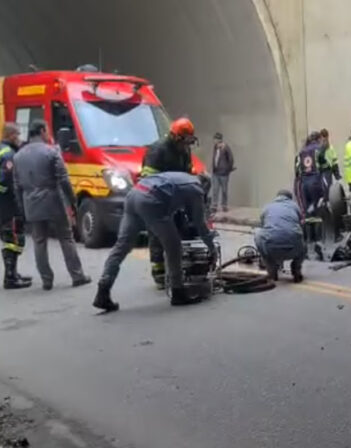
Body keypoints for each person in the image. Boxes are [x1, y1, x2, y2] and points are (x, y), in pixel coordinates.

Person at [93, 172, 217, 313]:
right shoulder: (196, 189)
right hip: (151, 201)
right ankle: (178, 292)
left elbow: (170, 206)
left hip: (134, 195)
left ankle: (103, 291)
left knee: (122, 246)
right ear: (205, 187)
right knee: (174, 246)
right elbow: (199, 224)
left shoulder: (181, 178)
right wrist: (211, 248)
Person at [13, 120, 91, 291]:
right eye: (47, 131)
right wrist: (72, 200)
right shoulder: (52, 151)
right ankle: (77, 275)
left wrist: (22, 208)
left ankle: (47, 280)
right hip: (53, 200)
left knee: (39, 241)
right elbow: (63, 179)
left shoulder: (18, 156)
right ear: (42, 131)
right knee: (66, 237)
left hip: (30, 202)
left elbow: (16, 185)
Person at [141, 118, 197, 289]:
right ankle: (159, 273)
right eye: (185, 140)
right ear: (176, 137)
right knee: (158, 236)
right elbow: (148, 179)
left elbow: (187, 172)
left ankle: (180, 269)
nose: (187, 145)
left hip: (176, 198)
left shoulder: (184, 151)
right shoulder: (157, 151)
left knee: (181, 232)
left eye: (190, 141)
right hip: (157, 199)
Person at [0, 123, 32, 289]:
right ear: (11, 135)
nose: (19, 138)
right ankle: (10, 277)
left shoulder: (2, 150)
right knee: (12, 239)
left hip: (4, 204)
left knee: (10, 238)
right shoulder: (8, 154)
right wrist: (10, 195)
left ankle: (13, 273)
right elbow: (5, 180)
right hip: (9, 205)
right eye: (17, 135)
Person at [254, 189, 304, 283]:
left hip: (271, 248)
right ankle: (296, 270)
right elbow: (300, 223)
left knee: (257, 233)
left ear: (277, 197)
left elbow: (263, 225)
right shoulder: (294, 206)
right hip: (293, 249)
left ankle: (272, 270)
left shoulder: (268, 207)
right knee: (301, 238)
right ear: (290, 198)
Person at [295, 132, 325, 216]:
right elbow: (324, 164)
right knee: (318, 208)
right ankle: (318, 227)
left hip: (304, 183)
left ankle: (309, 227)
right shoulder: (318, 149)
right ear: (318, 139)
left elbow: (297, 170)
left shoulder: (301, 152)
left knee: (308, 210)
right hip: (316, 181)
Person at [211, 132, 235, 213]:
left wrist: (228, 169)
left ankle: (224, 205)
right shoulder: (215, 147)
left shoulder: (226, 147)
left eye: (216, 139)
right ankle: (214, 205)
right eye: (214, 139)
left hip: (224, 173)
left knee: (224, 190)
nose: (215, 140)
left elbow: (231, 158)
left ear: (220, 140)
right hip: (216, 172)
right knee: (215, 189)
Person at [318, 129, 340, 194]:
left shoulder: (318, 148)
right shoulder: (330, 148)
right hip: (327, 171)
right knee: (328, 189)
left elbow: (334, 161)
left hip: (323, 171)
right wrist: (337, 174)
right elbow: (335, 162)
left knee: (326, 189)